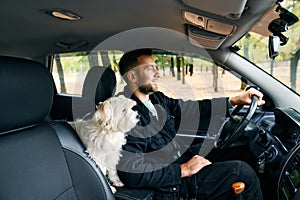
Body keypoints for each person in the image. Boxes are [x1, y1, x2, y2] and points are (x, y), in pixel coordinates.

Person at [116, 48, 264, 200]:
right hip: (171, 185)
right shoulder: (127, 114)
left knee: (241, 152)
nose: (158, 74)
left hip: (180, 157)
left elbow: (190, 108)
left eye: (156, 68)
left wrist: (234, 100)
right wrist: (183, 170)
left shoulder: (156, 99)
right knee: (243, 173)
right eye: (149, 69)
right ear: (133, 76)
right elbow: (131, 172)